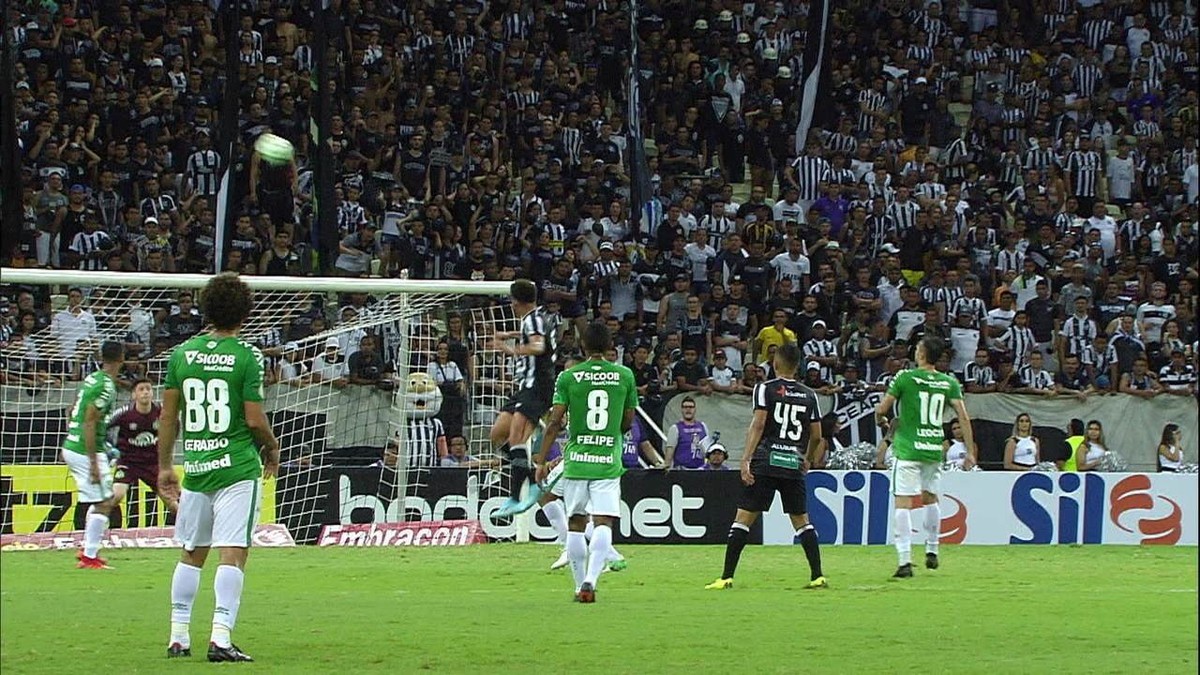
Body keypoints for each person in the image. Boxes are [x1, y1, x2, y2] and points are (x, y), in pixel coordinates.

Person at [157, 273, 281, 662]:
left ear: (206, 308)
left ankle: (178, 636)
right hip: (236, 470)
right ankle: (221, 638)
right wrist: (273, 449)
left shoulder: (181, 355)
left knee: (192, 551)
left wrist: (164, 466)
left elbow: (168, 416)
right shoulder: (247, 356)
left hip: (196, 467)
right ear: (245, 312)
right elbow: (255, 420)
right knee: (234, 551)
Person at [705, 341, 826, 590]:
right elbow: (816, 436)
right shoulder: (809, 394)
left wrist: (746, 458)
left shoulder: (764, 389)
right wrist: (808, 458)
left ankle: (726, 576)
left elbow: (758, 425)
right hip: (792, 462)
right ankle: (817, 576)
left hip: (766, 461)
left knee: (743, 519)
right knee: (802, 521)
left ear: (775, 363)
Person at [535, 322, 637, 603]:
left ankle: (580, 585)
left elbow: (555, 422)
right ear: (609, 347)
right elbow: (628, 420)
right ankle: (593, 578)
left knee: (577, 522)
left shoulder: (569, 377)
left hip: (578, 460)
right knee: (603, 523)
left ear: (582, 346)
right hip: (607, 460)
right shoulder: (624, 375)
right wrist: (611, 433)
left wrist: (541, 460)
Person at [875, 336, 976, 579]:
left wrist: (881, 420)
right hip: (932, 448)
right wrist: (970, 451)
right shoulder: (948, 382)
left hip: (908, 448)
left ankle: (904, 561)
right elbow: (963, 417)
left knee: (903, 502)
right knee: (930, 497)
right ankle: (932, 549)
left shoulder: (905, 377)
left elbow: (882, 408)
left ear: (921, 355)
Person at [490, 279, 557, 517]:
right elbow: (534, 335)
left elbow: (538, 346)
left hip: (536, 386)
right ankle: (529, 475)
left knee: (516, 438)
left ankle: (516, 495)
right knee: (497, 435)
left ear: (515, 301)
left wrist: (511, 349)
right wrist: (509, 334)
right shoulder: (536, 318)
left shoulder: (534, 319)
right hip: (524, 387)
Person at [61, 340, 124, 569]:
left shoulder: (92, 378)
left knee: (100, 499)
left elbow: (72, 409)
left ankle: (89, 549)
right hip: (85, 451)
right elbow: (89, 420)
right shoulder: (106, 386)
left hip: (75, 445)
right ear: (122, 359)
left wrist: (72, 436)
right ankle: (89, 555)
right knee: (106, 500)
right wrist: (93, 464)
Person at [108, 378, 172, 520]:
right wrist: (108, 446)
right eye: (141, 389)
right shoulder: (125, 413)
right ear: (134, 395)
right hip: (128, 462)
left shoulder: (161, 412)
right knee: (117, 495)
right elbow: (103, 426)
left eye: (148, 389)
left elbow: (175, 424)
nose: (145, 392)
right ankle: (96, 522)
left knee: (171, 502)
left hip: (153, 463)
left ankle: (186, 532)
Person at [664, 396, 711, 470]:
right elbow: (670, 451)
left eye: (691, 407)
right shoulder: (675, 428)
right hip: (682, 470)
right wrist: (667, 467)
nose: (688, 409)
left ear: (695, 409)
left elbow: (708, 450)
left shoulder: (703, 426)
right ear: (681, 410)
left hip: (700, 470)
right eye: (685, 407)